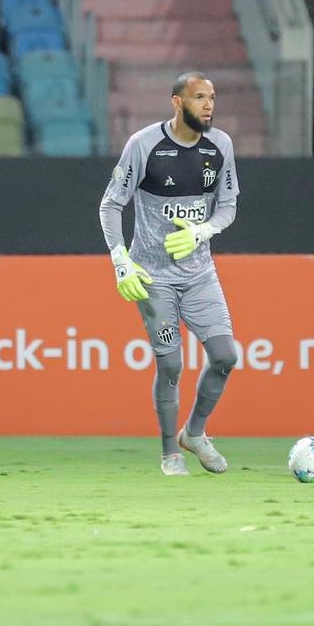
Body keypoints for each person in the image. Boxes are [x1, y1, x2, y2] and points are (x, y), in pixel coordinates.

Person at [98, 71, 240, 476]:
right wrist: (121, 260)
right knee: (172, 366)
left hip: (200, 275)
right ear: (177, 102)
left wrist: (203, 229)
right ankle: (169, 454)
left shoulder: (221, 146)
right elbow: (110, 206)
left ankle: (194, 434)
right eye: (199, 97)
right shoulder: (144, 145)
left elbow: (227, 206)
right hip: (153, 278)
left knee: (226, 356)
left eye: (212, 97)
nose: (209, 105)